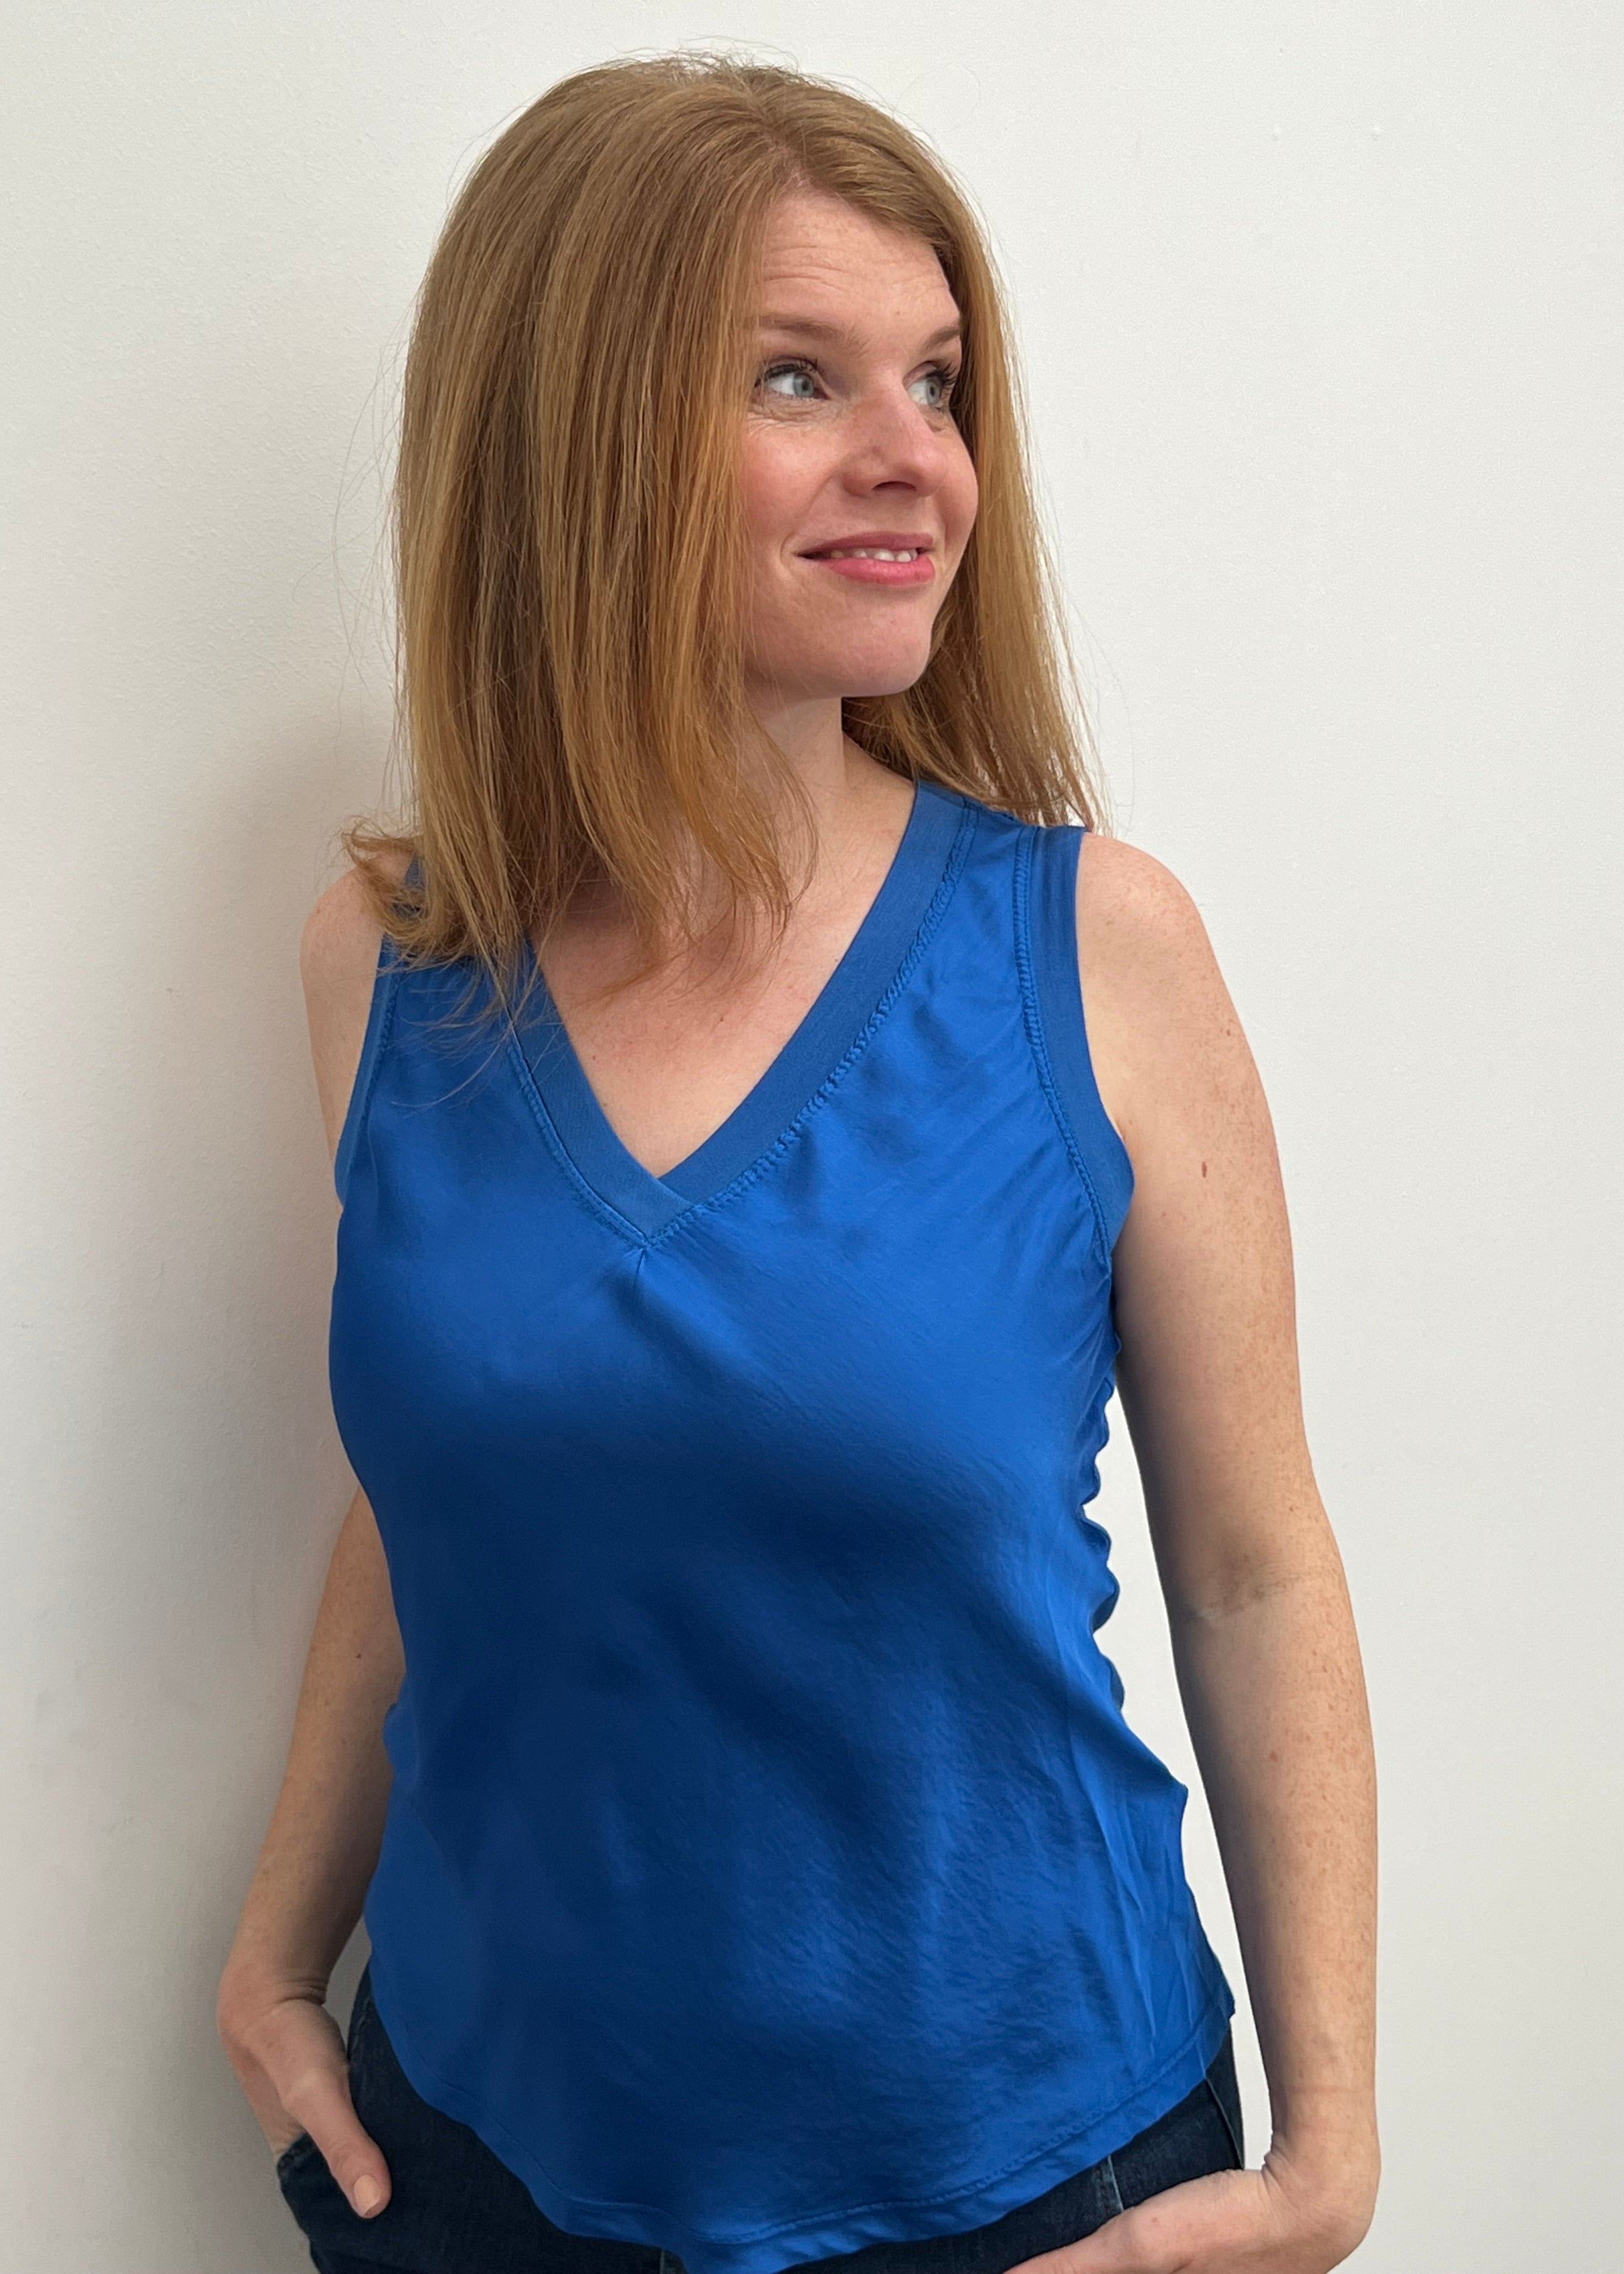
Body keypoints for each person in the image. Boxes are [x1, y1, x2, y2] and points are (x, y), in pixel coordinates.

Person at [218, 52, 1379, 2274]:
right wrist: (277, 1953)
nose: (912, 459)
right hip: (480, 2169)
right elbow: (442, 1494)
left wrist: (1326, 2156)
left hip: (1035, 2193)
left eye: (937, 381)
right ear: (574, 446)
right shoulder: (381, 972)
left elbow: (1252, 1566)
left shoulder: (1097, 953)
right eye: (796, 377)